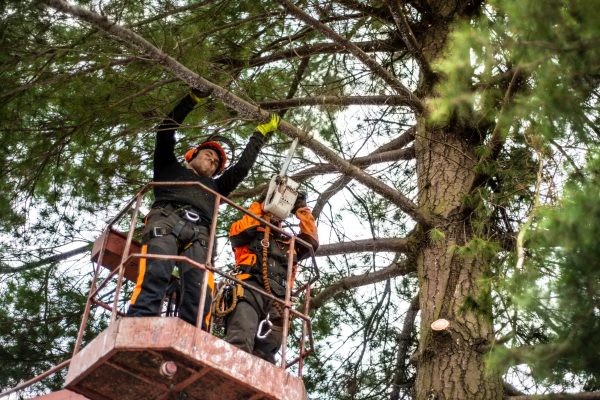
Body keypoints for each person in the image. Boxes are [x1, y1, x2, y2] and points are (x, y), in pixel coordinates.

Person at [126, 88, 280, 330]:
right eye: (209, 154)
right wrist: (191, 99)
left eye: (217, 162)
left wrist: (259, 134)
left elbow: (241, 169)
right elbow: (165, 130)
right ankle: (137, 323)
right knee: (156, 268)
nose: (213, 159)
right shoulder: (168, 167)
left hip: (200, 233)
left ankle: (192, 334)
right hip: (166, 218)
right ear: (191, 156)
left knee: (199, 287)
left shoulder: (217, 187)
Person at [223, 192, 318, 363]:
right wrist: (260, 203)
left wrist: (301, 209)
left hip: (279, 301)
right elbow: (242, 231)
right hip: (249, 289)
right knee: (240, 339)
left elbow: (311, 241)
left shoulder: (289, 243)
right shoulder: (250, 231)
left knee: (266, 354)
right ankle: (230, 372)